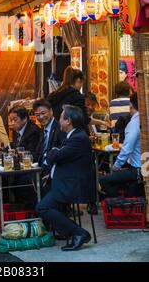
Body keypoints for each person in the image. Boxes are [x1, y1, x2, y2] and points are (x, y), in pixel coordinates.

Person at [36, 105, 94, 251]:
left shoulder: (78, 138)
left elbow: (54, 156)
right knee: (41, 192)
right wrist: (53, 168)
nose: (59, 120)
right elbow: (61, 158)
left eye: (61, 117)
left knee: (42, 207)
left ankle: (77, 232)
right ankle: (67, 231)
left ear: (68, 121)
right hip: (66, 179)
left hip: (74, 184)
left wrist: (54, 153)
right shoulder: (74, 136)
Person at [100, 93, 142, 198]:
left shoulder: (134, 123)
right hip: (142, 168)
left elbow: (127, 149)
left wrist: (116, 166)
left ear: (131, 106)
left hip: (137, 169)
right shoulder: (143, 121)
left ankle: (122, 203)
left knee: (104, 180)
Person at [32, 99, 66, 194]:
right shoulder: (43, 130)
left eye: (43, 113)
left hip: (53, 167)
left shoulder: (60, 127)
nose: (41, 117)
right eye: (38, 115)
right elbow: (39, 152)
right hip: (41, 167)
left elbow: (63, 151)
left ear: (51, 111)